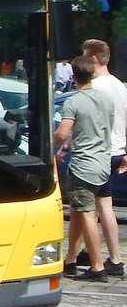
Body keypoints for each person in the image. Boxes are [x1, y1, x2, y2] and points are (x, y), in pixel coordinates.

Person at [53, 55, 113, 281]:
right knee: (78, 212)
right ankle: (70, 260)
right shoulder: (106, 99)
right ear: (93, 73)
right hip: (103, 163)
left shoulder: (73, 102)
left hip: (83, 165)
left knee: (87, 214)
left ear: (73, 77)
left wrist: (50, 140)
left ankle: (97, 266)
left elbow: (61, 134)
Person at [73, 39, 126, 276]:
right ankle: (110, 256)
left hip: (99, 152)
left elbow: (91, 124)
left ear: (93, 59)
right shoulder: (119, 85)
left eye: (85, 56)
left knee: (91, 207)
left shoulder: (97, 87)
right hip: (117, 150)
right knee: (103, 205)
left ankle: (82, 257)